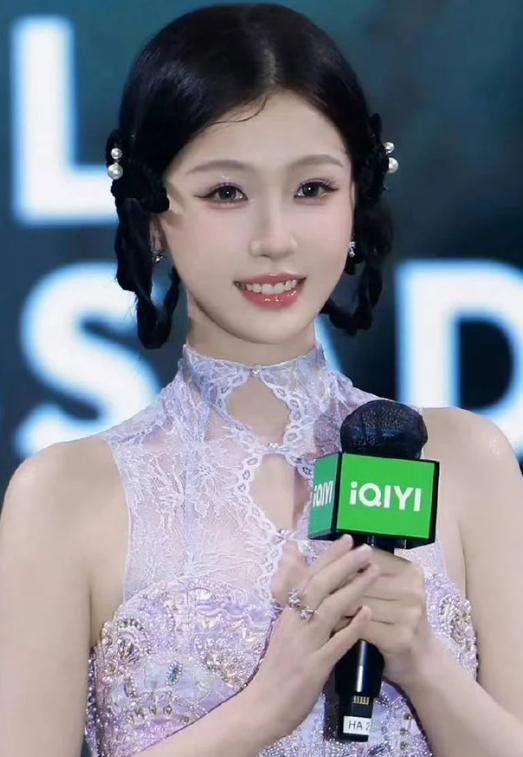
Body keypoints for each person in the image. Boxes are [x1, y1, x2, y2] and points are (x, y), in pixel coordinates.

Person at [1, 3, 522, 756]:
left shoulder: (468, 462)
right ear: (152, 217)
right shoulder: (65, 496)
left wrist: (424, 663)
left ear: (355, 197)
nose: (275, 239)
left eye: (311, 189)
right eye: (226, 193)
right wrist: (264, 706)